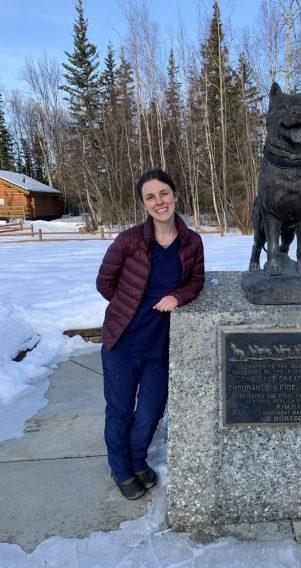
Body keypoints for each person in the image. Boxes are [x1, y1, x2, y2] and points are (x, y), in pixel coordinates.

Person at [96, 168, 205, 500]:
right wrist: (131, 303)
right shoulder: (128, 240)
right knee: (119, 409)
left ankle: (137, 458)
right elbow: (105, 284)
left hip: (160, 345)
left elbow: (196, 282)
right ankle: (122, 468)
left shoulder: (191, 242)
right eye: (150, 196)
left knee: (150, 411)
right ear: (143, 204)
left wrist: (178, 297)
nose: (159, 202)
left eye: (164, 194)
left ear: (175, 196)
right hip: (123, 341)